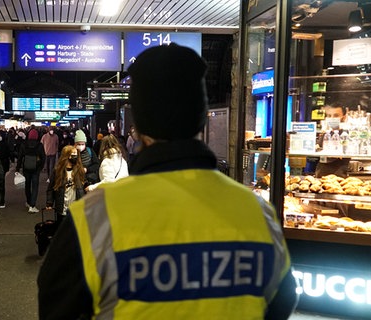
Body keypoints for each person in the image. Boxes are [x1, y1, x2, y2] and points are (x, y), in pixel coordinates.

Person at [38, 44, 298, 319]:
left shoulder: (92, 218)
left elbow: (56, 307)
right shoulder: (257, 214)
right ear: (201, 121)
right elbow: (281, 303)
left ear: (139, 128)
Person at [46, 145, 86, 222]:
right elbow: (51, 188)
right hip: (62, 206)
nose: (76, 157)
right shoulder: (58, 171)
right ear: (67, 156)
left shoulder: (79, 170)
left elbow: (83, 184)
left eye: (76, 155)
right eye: (73, 154)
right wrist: (49, 202)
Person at [16, 128, 46, 213]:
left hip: (26, 168)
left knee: (27, 186)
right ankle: (32, 205)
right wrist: (40, 167)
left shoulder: (24, 144)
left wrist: (17, 168)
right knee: (35, 187)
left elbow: (20, 157)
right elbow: (43, 157)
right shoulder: (39, 145)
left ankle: (29, 202)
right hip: (36, 168)